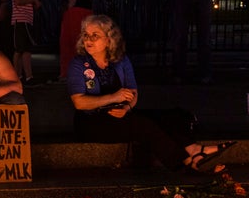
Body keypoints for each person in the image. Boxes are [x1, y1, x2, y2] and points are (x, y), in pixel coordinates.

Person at [67, 14, 235, 172]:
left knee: (171, 116)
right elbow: (79, 102)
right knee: (143, 126)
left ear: (109, 39)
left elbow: (133, 92)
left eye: (94, 35)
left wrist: (127, 108)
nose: (88, 40)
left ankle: (195, 149)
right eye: (85, 35)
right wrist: (113, 97)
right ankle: (184, 164)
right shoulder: (79, 63)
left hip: (121, 113)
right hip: (92, 121)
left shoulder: (120, 60)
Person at [10, 0, 42, 86]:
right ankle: (22, 76)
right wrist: (33, 0)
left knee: (24, 49)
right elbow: (18, 0)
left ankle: (24, 76)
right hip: (21, 19)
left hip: (25, 19)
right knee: (21, 50)